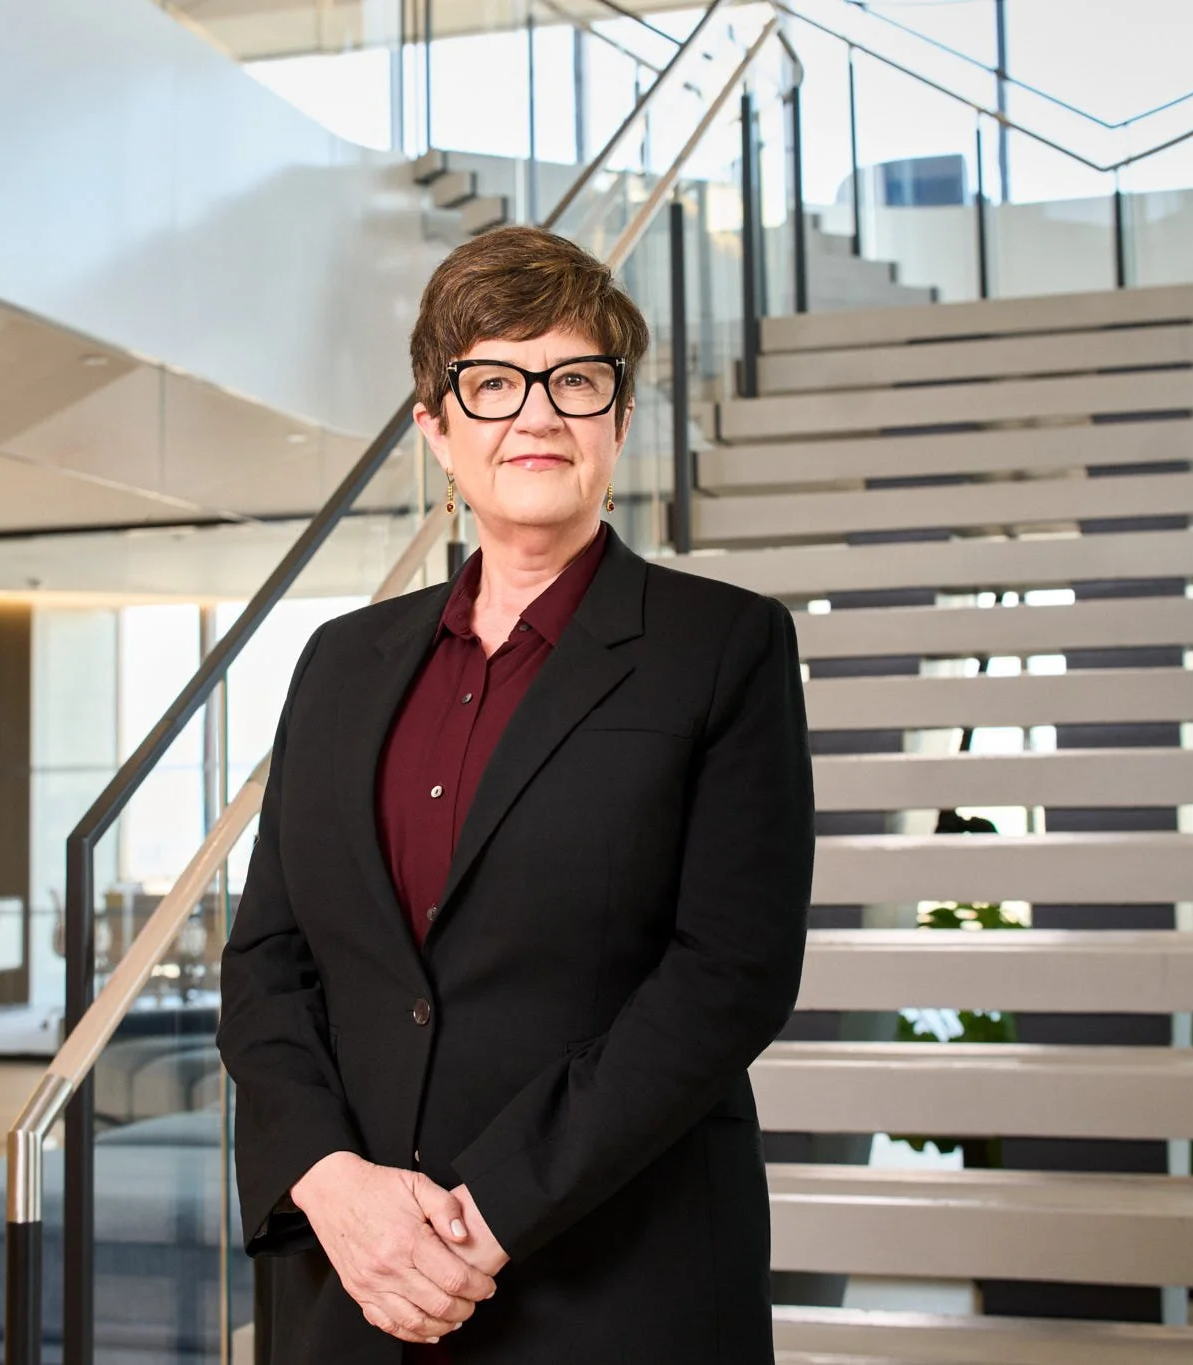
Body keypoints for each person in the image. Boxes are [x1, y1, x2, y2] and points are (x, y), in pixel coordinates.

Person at [217, 225, 815, 1364]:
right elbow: (268, 961)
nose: (535, 415)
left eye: (573, 381)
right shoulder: (338, 661)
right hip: (351, 1282)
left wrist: (477, 1218)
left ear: (619, 419)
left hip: (615, 1278)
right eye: (491, 383)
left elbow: (728, 976)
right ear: (435, 430)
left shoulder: (723, 645)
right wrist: (331, 1185)